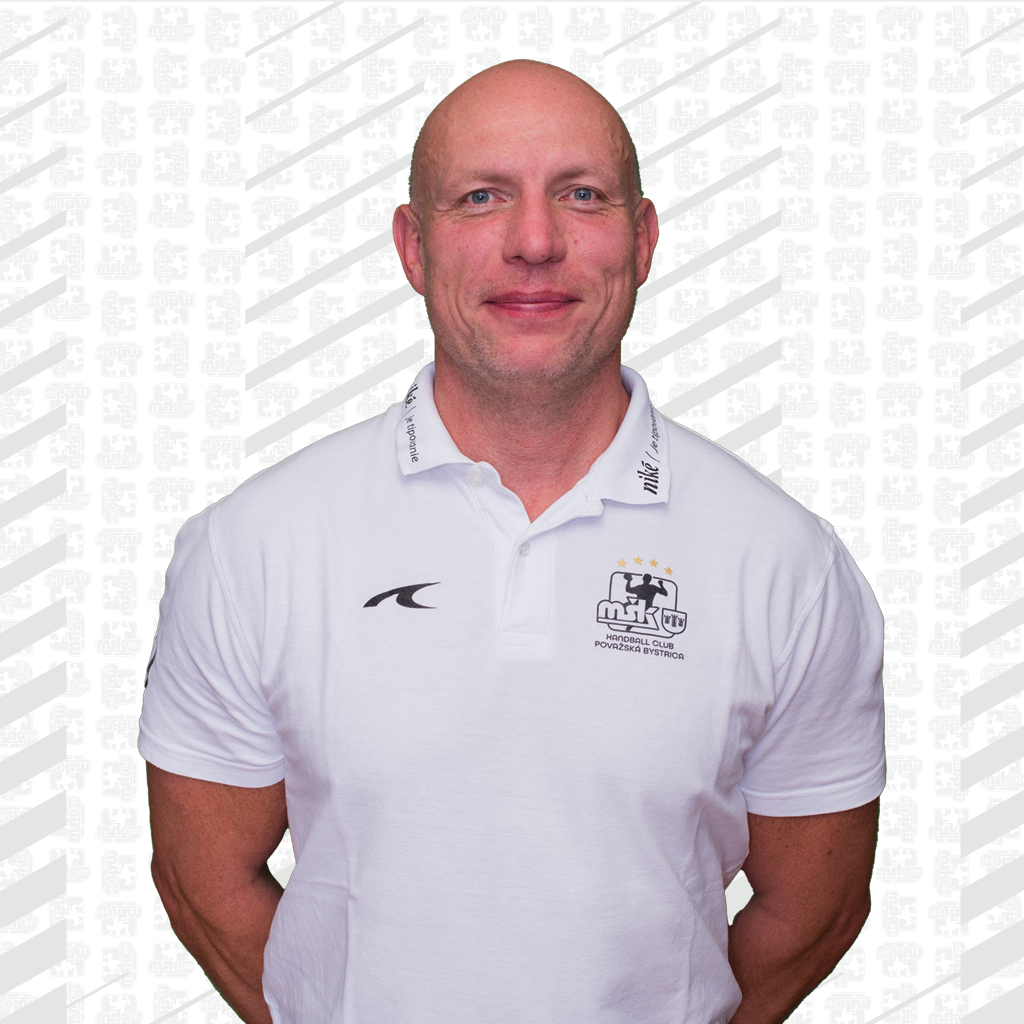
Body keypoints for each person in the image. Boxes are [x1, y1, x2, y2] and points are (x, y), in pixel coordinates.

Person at [139, 59, 886, 1024]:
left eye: (581, 195)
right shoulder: (252, 546)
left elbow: (813, 911)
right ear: (414, 247)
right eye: (481, 198)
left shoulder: (787, 564)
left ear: (643, 240)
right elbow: (204, 883)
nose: (535, 242)